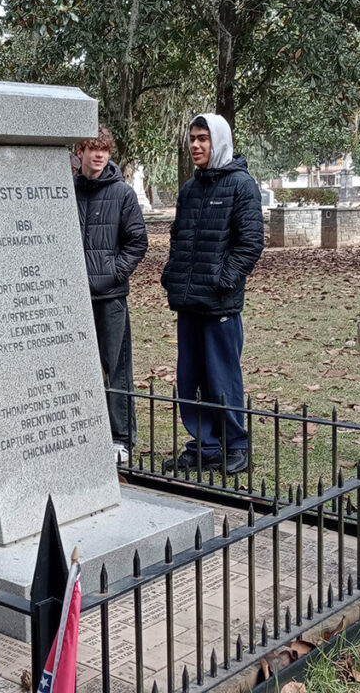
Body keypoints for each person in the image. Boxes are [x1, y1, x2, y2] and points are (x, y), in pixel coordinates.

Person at [160, 114, 264, 474]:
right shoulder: (190, 189)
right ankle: (204, 445)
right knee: (190, 378)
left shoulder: (241, 186)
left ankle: (236, 445)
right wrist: (171, 275)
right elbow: (179, 237)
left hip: (219, 301)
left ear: (218, 141)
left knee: (223, 377)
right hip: (189, 300)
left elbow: (250, 243)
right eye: (192, 139)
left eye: (203, 139)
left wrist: (225, 279)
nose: (195, 145)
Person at [74, 126, 149, 462]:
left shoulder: (123, 194)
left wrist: (113, 275)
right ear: (80, 152)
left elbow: (137, 242)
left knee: (115, 366)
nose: (99, 154)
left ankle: (121, 438)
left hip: (109, 298)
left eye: (103, 148)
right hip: (73, 298)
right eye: (92, 148)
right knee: (79, 368)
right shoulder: (66, 191)